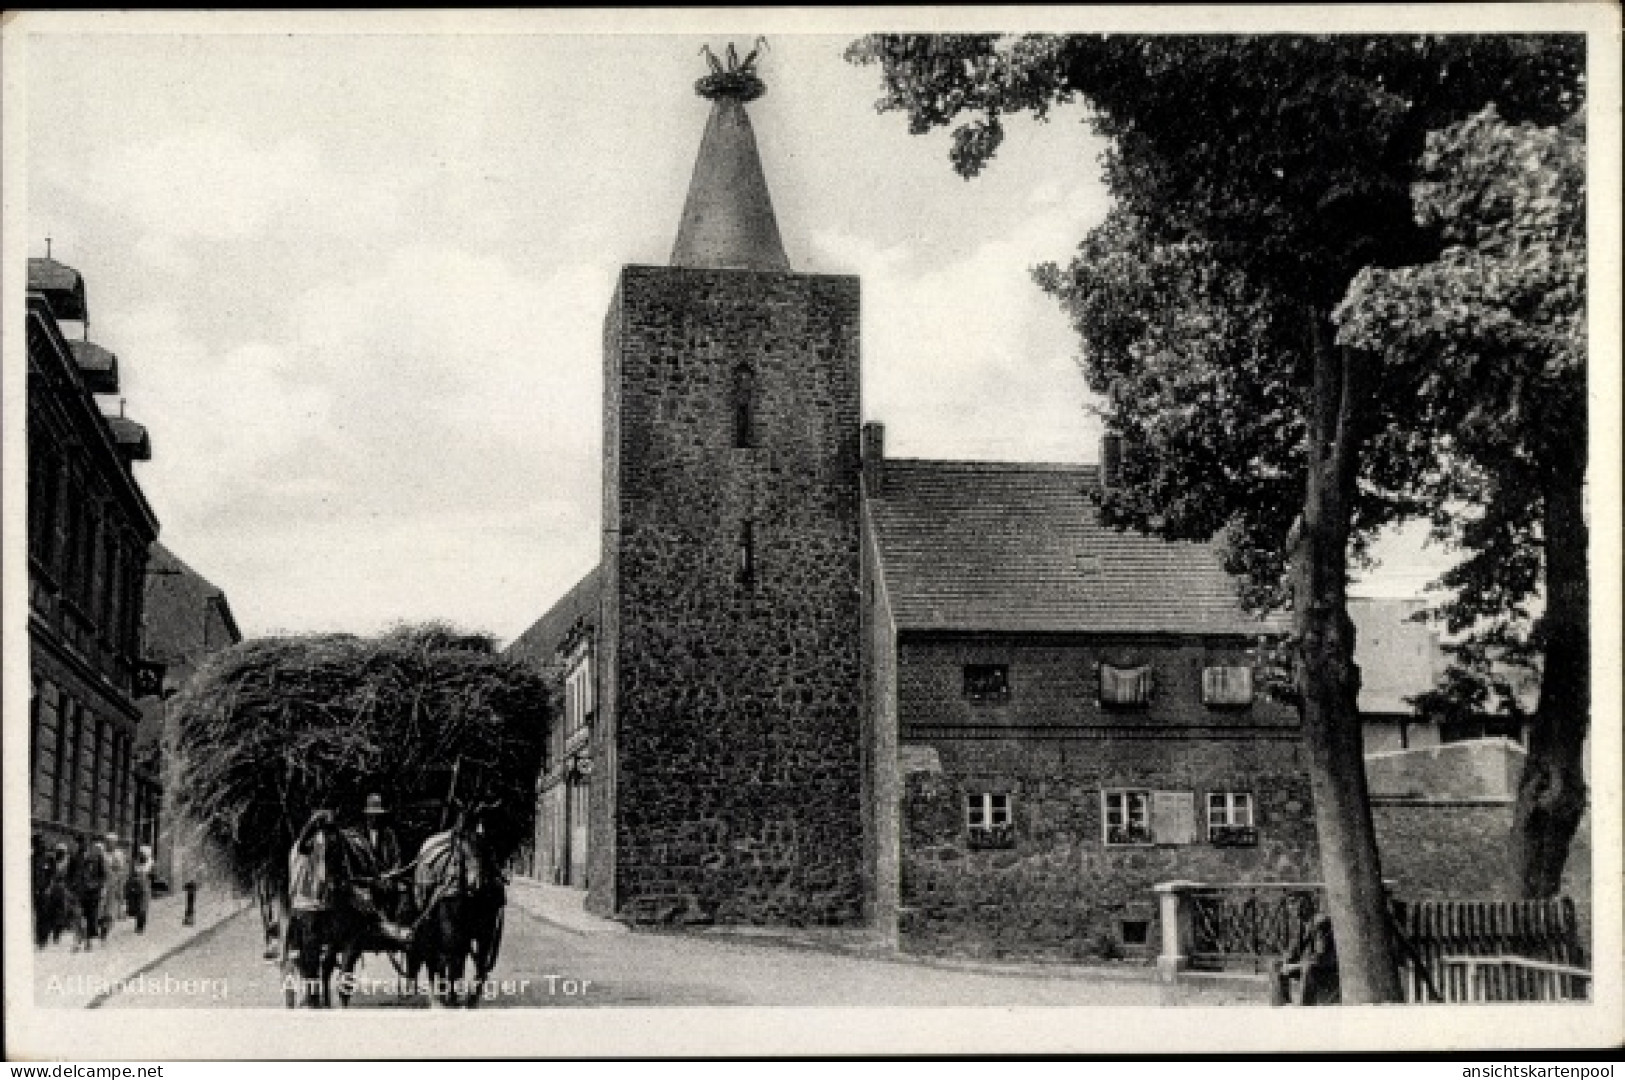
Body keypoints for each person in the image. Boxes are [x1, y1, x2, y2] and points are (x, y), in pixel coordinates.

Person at [1278, 913, 1341, 1005]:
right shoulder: (1308, 931)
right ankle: (1281, 1005)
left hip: (1329, 973)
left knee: (1308, 969)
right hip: (1313, 968)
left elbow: (1320, 959)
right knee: (1276, 966)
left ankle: (1305, 1007)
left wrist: (1295, 966)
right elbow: (1293, 954)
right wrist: (1287, 963)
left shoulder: (1331, 935)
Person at [74, 838, 108, 952]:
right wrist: (76, 886)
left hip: (93, 894)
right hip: (81, 893)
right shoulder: (80, 859)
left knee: (90, 917)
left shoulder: (98, 859)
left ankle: (88, 941)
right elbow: (75, 874)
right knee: (78, 916)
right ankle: (78, 940)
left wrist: (96, 885)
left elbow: (103, 876)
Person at [101, 833, 127, 940]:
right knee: (100, 906)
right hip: (102, 883)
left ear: (115, 843)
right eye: (107, 842)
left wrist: (120, 884)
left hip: (113, 884)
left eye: (111, 842)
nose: (108, 844)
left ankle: (105, 930)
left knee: (110, 909)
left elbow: (122, 870)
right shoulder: (102, 853)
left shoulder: (119, 854)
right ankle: (99, 925)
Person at [128, 845, 154, 934]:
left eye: (143, 854)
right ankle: (138, 925)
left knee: (143, 908)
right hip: (136, 888)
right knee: (137, 907)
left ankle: (141, 927)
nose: (141, 856)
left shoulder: (150, 864)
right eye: (140, 854)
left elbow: (152, 877)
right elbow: (132, 874)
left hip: (145, 888)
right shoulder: (136, 863)